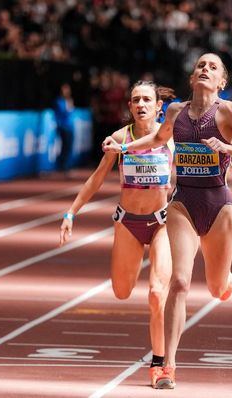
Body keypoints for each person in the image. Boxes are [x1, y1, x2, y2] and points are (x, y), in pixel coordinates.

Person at [102, 53, 232, 389]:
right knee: (179, 281)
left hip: (218, 205)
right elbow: (158, 140)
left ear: (222, 82)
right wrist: (125, 147)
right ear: (192, 78)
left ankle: (226, 279)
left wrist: (227, 148)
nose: (205, 69)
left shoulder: (228, 112)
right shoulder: (176, 112)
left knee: (218, 288)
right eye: (201, 65)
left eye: (213, 67)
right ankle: (168, 368)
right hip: (183, 204)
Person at [59, 81, 175, 389]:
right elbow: (97, 179)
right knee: (122, 292)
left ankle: (159, 366)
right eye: (135, 100)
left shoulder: (171, 137)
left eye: (147, 99)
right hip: (128, 223)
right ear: (130, 107)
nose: (141, 104)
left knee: (155, 295)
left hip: (162, 222)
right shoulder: (119, 138)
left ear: (158, 106)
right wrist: (72, 213)